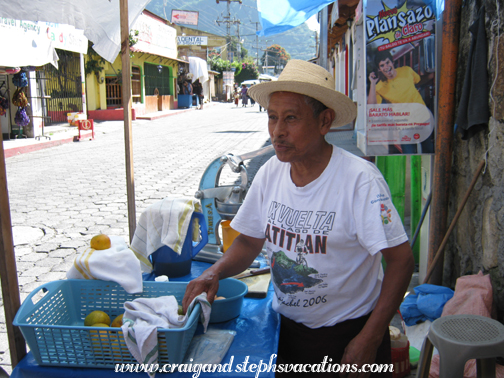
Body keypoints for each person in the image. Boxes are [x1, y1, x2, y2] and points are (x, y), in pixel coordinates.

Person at [183, 59, 414, 377]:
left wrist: (370, 337)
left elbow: (401, 261)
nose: (278, 132)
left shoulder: (361, 181)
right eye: (273, 118)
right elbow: (250, 241)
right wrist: (215, 272)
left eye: (291, 118)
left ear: (325, 121)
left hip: (349, 335)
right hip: (286, 332)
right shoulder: (270, 175)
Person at [367, 50, 434, 154]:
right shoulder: (379, 86)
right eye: (382, 65)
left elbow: (419, 81)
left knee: (429, 151)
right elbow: (371, 106)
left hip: (423, 118)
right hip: (405, 125)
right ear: (379, 69)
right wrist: (372, 83)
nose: (386, 67)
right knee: (408, 155)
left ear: (392, 62)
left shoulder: (407, 70)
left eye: (387, 62)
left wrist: (432, 75)